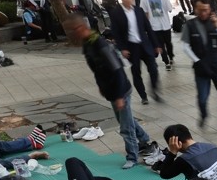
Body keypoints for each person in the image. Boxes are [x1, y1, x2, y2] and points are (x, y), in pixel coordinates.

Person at [63, 12, 151, 169]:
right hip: (111, 90)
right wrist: (101, 86)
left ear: (80, 27)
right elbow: (96, 69)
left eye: (72, 31)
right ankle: (144, 139)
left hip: (120, 90)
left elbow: (117, 70)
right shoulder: (87, 44)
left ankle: (132, 156)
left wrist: (119, 97)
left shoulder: (100, 44)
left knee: (125, 126)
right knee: (125, 120)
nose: (71, 35)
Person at [181, 0, 217, 134]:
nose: (203, 13)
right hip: (201, 68)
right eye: (200, 10)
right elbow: (185, 46)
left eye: (206, 10)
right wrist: (197, 61)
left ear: (210, 9)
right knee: (202, 98)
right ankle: (203, 114)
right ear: (195, 9)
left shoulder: (214, 23)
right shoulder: (189, 25)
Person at [108, 0, 162, 106]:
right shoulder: (116, 13)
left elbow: (148, 28)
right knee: (136, 72)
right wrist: (122, 48)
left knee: (153, 68)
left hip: (145, 45)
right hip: (131, 48)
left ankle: (154, 90)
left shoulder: (138, 10)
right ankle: (143, 96)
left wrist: (156, 44)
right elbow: (116, 33)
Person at [153, 123, 217, 180]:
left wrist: (172, 153)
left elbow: (164, 174)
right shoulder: (214, 147)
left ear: (174, 143)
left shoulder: (185, 159)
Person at [140, 0, 175, 72]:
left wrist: (146, 27)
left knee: (160, 45)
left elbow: (145, 13)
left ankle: (167, 63)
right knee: (168, 43)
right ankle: (171, 57)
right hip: (166, 25)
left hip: (154, 26)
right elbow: (170, 8)